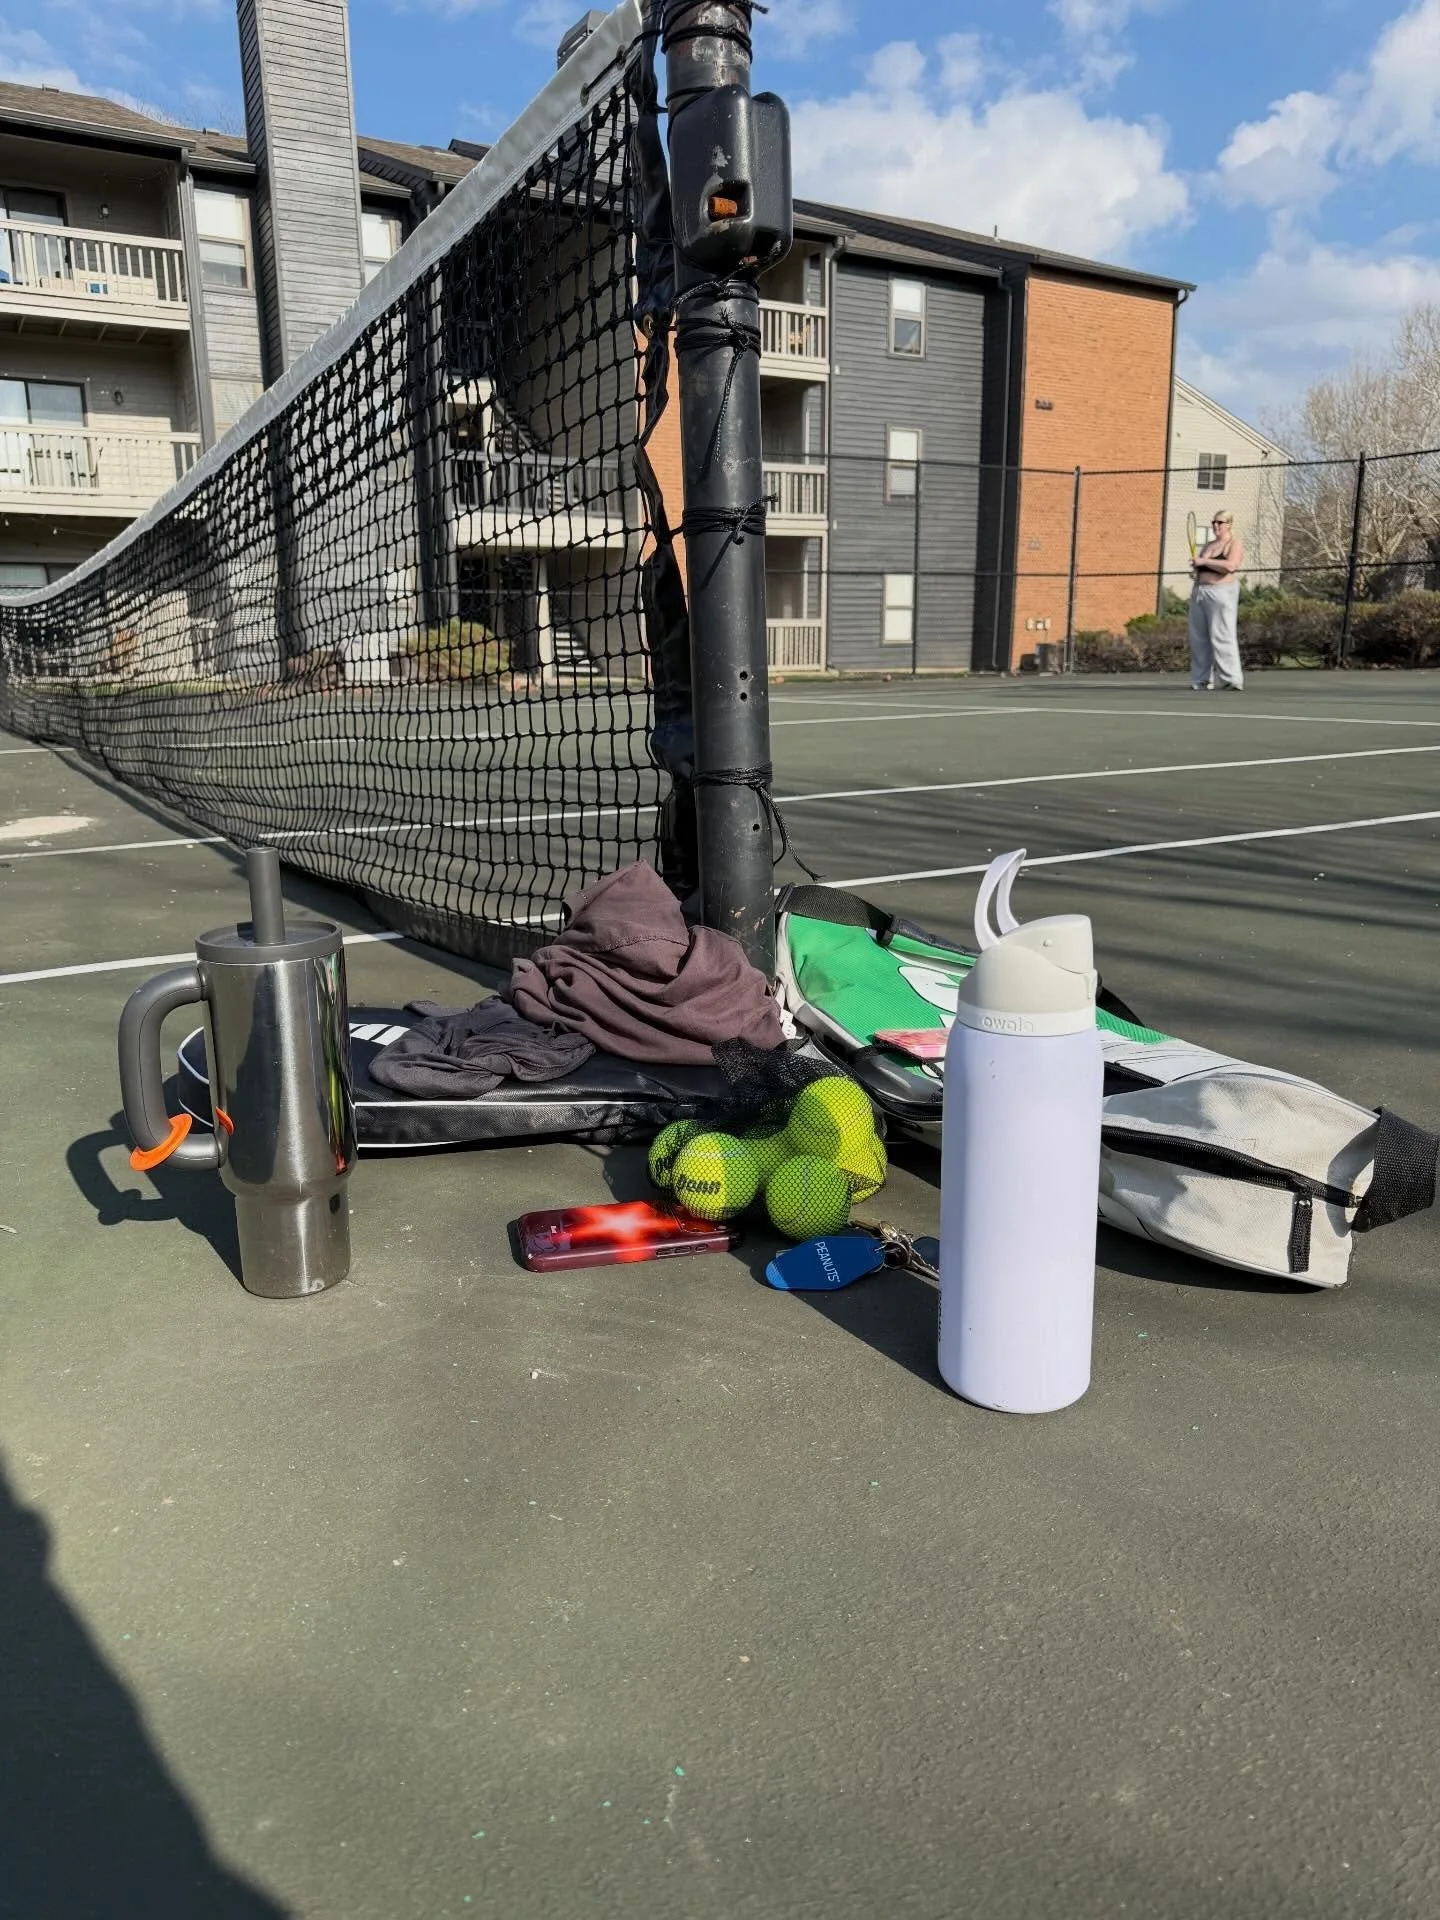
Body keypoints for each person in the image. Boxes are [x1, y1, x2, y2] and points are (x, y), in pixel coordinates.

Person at [1188, 509, 1245, 691]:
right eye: (1214, 522)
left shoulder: (1234, 543)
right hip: (1200, 592)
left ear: (1229, 524)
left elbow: (1231, 566)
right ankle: (1202, 679)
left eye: (1220, 522)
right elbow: (1201, 568)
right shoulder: (1208, 546)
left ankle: (1231, 679)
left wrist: (1204, 562)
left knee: (1222, 635)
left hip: (1222, 592)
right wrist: (1196, 568)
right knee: (1199, 638)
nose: (1215, 526)